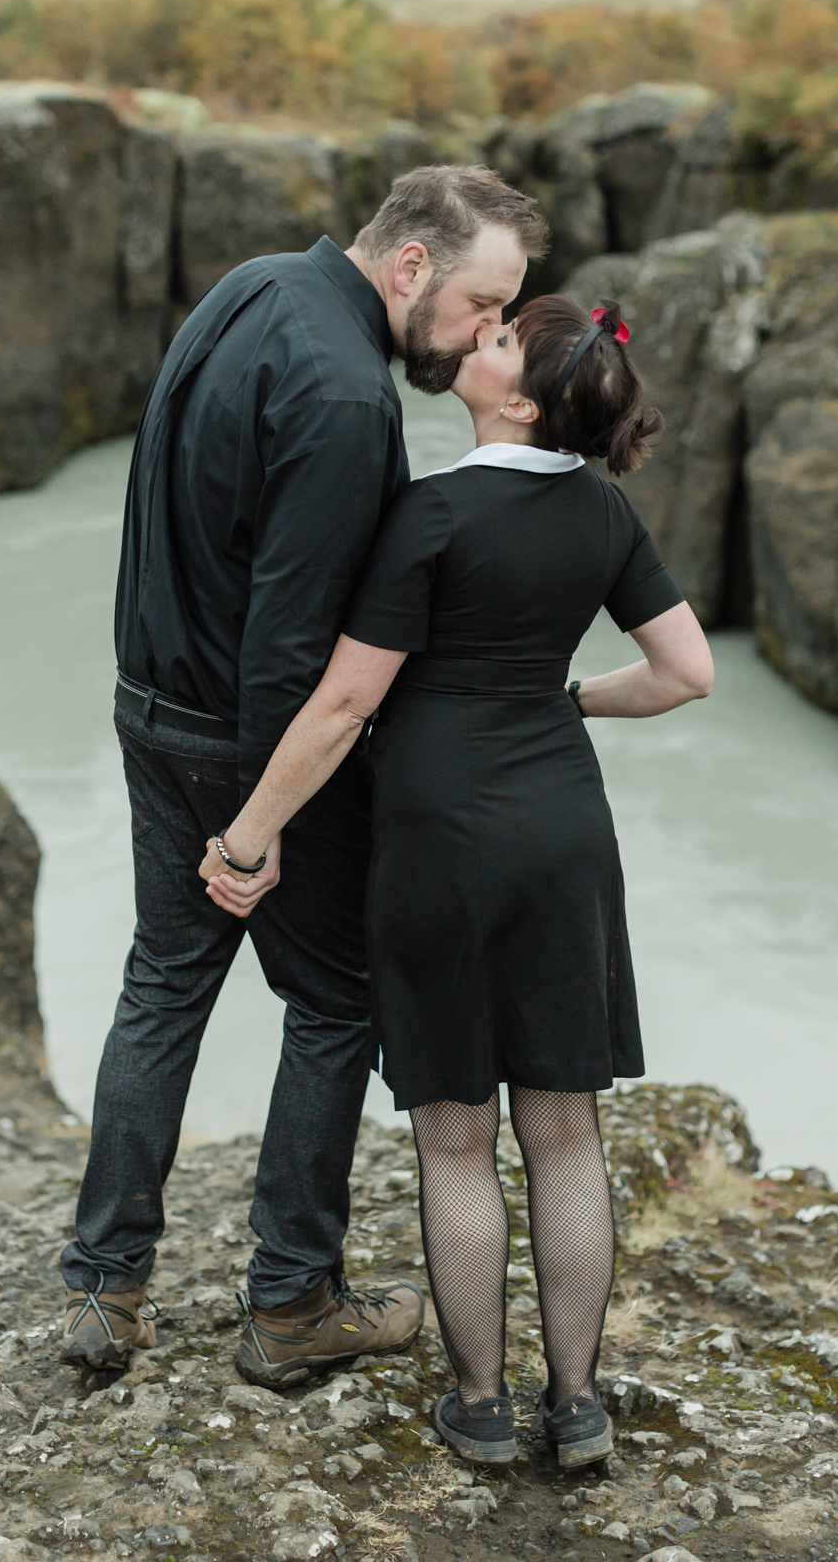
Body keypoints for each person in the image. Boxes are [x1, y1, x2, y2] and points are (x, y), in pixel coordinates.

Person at [200, 294, 715, 1466]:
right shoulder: (605, 511)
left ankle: (480, 1405)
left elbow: (343, 704)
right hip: (564, 828)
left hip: (435, 832)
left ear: (518, 397)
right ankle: (577, 1405)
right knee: (564, 1133)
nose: (470, 345)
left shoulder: (427, 514)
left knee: (454, 1139)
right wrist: (571, 696)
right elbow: (686, 673)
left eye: (492, 343)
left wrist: (249, 835)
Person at [58, 166, 550, 1382]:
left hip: (149, 707)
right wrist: (260, 827)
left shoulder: (250, 287)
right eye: (485, 303)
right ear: (413, 266)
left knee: (165, 982)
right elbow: (293, 653)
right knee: (337, 1002)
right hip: (250, 742)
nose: (489, 334)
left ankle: (105, 1292)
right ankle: (290, 1308)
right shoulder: (345, 397)